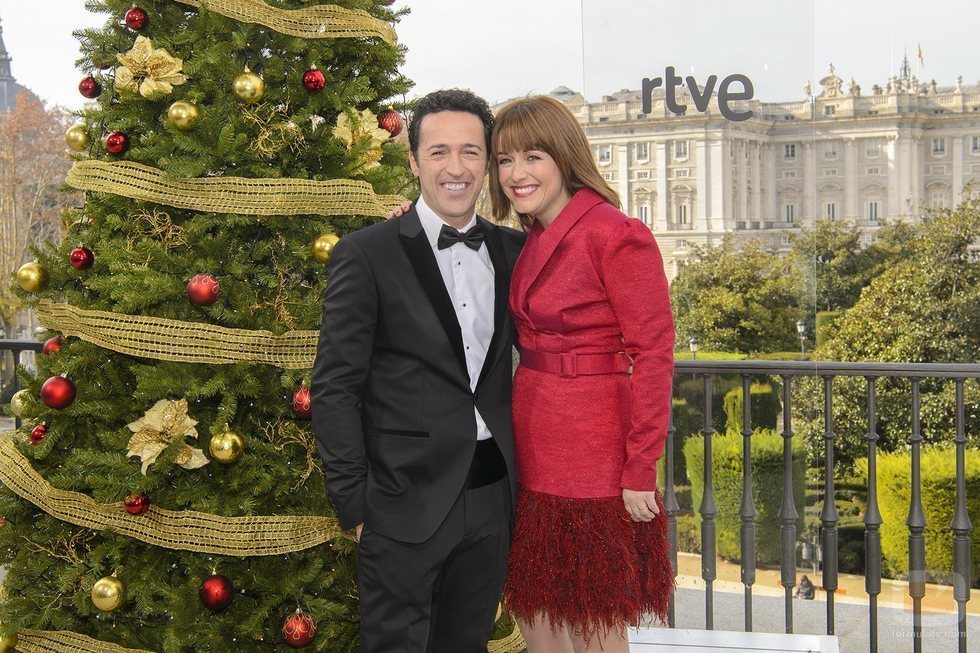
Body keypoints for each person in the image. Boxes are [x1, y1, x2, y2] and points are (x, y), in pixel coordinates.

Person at [311, 89, 526, 653]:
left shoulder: (516, 251)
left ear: (487, 162)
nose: (454, 168)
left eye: (470, 152)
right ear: (412, 160)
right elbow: (334, 388)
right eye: (438, 152)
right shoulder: (366, 254)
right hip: (400, 500)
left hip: (492, 494)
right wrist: (355, 505)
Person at [488, 95, 675, 652]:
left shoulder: (615, 232)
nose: (516, 173)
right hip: (533, 434)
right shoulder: (531, 234)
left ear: (564, 158)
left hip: (592, 442)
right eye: (504, 160)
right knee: (534, 607)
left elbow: (655, 351)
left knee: (592, 617)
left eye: (532, 157)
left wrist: (641, 464)